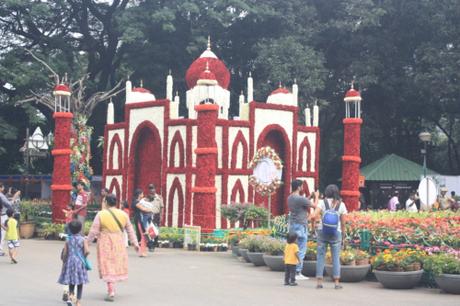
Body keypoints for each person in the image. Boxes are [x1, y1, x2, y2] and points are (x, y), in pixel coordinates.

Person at [87, 193, 139, 302]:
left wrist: (87, 243)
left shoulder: (101, 214)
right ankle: (112, 288)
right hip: (119, 242)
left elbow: (93, 231)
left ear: (106, 202)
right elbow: (130, 229)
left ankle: (111, 290)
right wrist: (135, 243)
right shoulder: (123, 214)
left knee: (107, 265)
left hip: (105, 242)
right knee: (114, 265)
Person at [312, 184, 347, 289]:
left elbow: (313, 216)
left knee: (320, 256)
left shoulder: (322, 203)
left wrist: (313, 228)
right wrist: (344, 235)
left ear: (326, 192)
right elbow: (343, 223)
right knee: (335, 257)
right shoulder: (342, 205)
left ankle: (319, 282)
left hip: (322, 232)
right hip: (336, 233)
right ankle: (336, 282)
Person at [287, 179, 318, 280]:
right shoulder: (300, 199)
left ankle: (292, 272)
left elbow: (303, 202)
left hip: (292, 225)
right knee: (301, 249)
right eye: (302, 186)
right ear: (299, 187)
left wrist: (310, 197)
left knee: (293, 248)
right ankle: (297, 272)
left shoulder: (290, 197)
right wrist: (316, 197)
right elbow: (315, 206)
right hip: (301, 225)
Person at [58, 220, 89, 306]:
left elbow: (64, 253)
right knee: (80, 282)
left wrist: (64, 261)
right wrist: (83, 258)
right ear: (80, 229)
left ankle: (71, 296)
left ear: (70, 230)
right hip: (79, 262)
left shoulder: (68, 240)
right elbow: (87, 251)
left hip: (70, 262)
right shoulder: (83, 239)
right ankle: (78, 301)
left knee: (71, 281)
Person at [142, 184, 163, 252]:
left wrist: (161, 216)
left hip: (156, 216)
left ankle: (154, 244)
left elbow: (162, 208)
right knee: (149, 231)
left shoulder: (159, 197)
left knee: (156, 231)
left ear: (155, 189)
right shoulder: (147, 198)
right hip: (149, 215)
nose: (151, 190)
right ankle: (150, 246)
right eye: (150, 188)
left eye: (152, 188)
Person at [0, 182, 14, 256]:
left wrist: (8, 194)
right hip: (2, 215)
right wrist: (13, 200)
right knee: (2, 233)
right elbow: (7, 204)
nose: (3, 188)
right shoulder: (1, 195)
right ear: (1, 188)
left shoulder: (2, 195)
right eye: (2, 187)